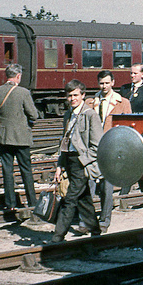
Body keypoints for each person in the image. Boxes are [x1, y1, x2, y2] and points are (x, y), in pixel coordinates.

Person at [48, 80, 103, 243]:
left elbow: (97, 145)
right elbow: (64, 142)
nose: (72, 99)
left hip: (82, 164)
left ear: (83, 95)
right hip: (69, 161)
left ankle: (58, 236)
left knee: (70, 199)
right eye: (69, 96)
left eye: (75, 95)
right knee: (83, 198)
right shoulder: (67, 115)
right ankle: (95, 230)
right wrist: (60, 165)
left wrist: (82, 161)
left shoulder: (90, 115)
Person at [0, 64, 40, 212]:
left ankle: (10, 203)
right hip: (21, 137)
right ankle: (32, 201)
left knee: (7, 170)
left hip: (4, 136)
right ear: (18, 76)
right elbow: (34, 115)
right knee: (26, 170)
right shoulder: (23, 92)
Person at [94, 70, 130, 231]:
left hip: (111, 148)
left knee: (107, 187)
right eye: (101, 83)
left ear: (113, 83)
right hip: (94, 148)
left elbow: (128, 127)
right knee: (90, 185)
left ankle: (104, 220)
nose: (104, 86)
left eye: (107, 83)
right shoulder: (90, 102)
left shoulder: (123, 102)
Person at [120, 63, 143, 194]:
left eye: (135, 73)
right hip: (126, 131)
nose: (132, 76)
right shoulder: (124, 89)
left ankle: (137, 190)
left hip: (140, 132)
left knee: (138, 160)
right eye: (131, 73)